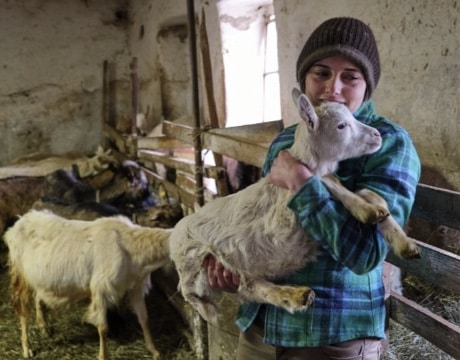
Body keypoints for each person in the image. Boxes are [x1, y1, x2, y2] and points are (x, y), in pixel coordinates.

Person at [204, 16, 421, 360]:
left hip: (331, 334)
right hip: (262, 326)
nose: (333, 88)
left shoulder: (389, 144)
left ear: (367, 86)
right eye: (321, 73)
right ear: (304, 79)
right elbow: (259, 224)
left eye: (350, 77)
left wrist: (303, 183)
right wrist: (232, 266)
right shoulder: (287, 141)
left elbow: (365, 255)